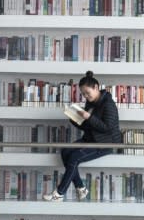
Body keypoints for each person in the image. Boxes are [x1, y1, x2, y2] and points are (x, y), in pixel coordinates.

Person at [43, 71, 121, 201]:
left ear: (96, 88)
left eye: (87, 93)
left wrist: (88, 117)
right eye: (83, 94)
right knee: (65, 152)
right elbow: (87, 126)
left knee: (74, 157)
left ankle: (59, 193)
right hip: (91, 139)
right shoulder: (90, 103)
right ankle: (81, 188)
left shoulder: (109, 104)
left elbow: (107, 128)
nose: (85, 96)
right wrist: (74, 118)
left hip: (106, 142)